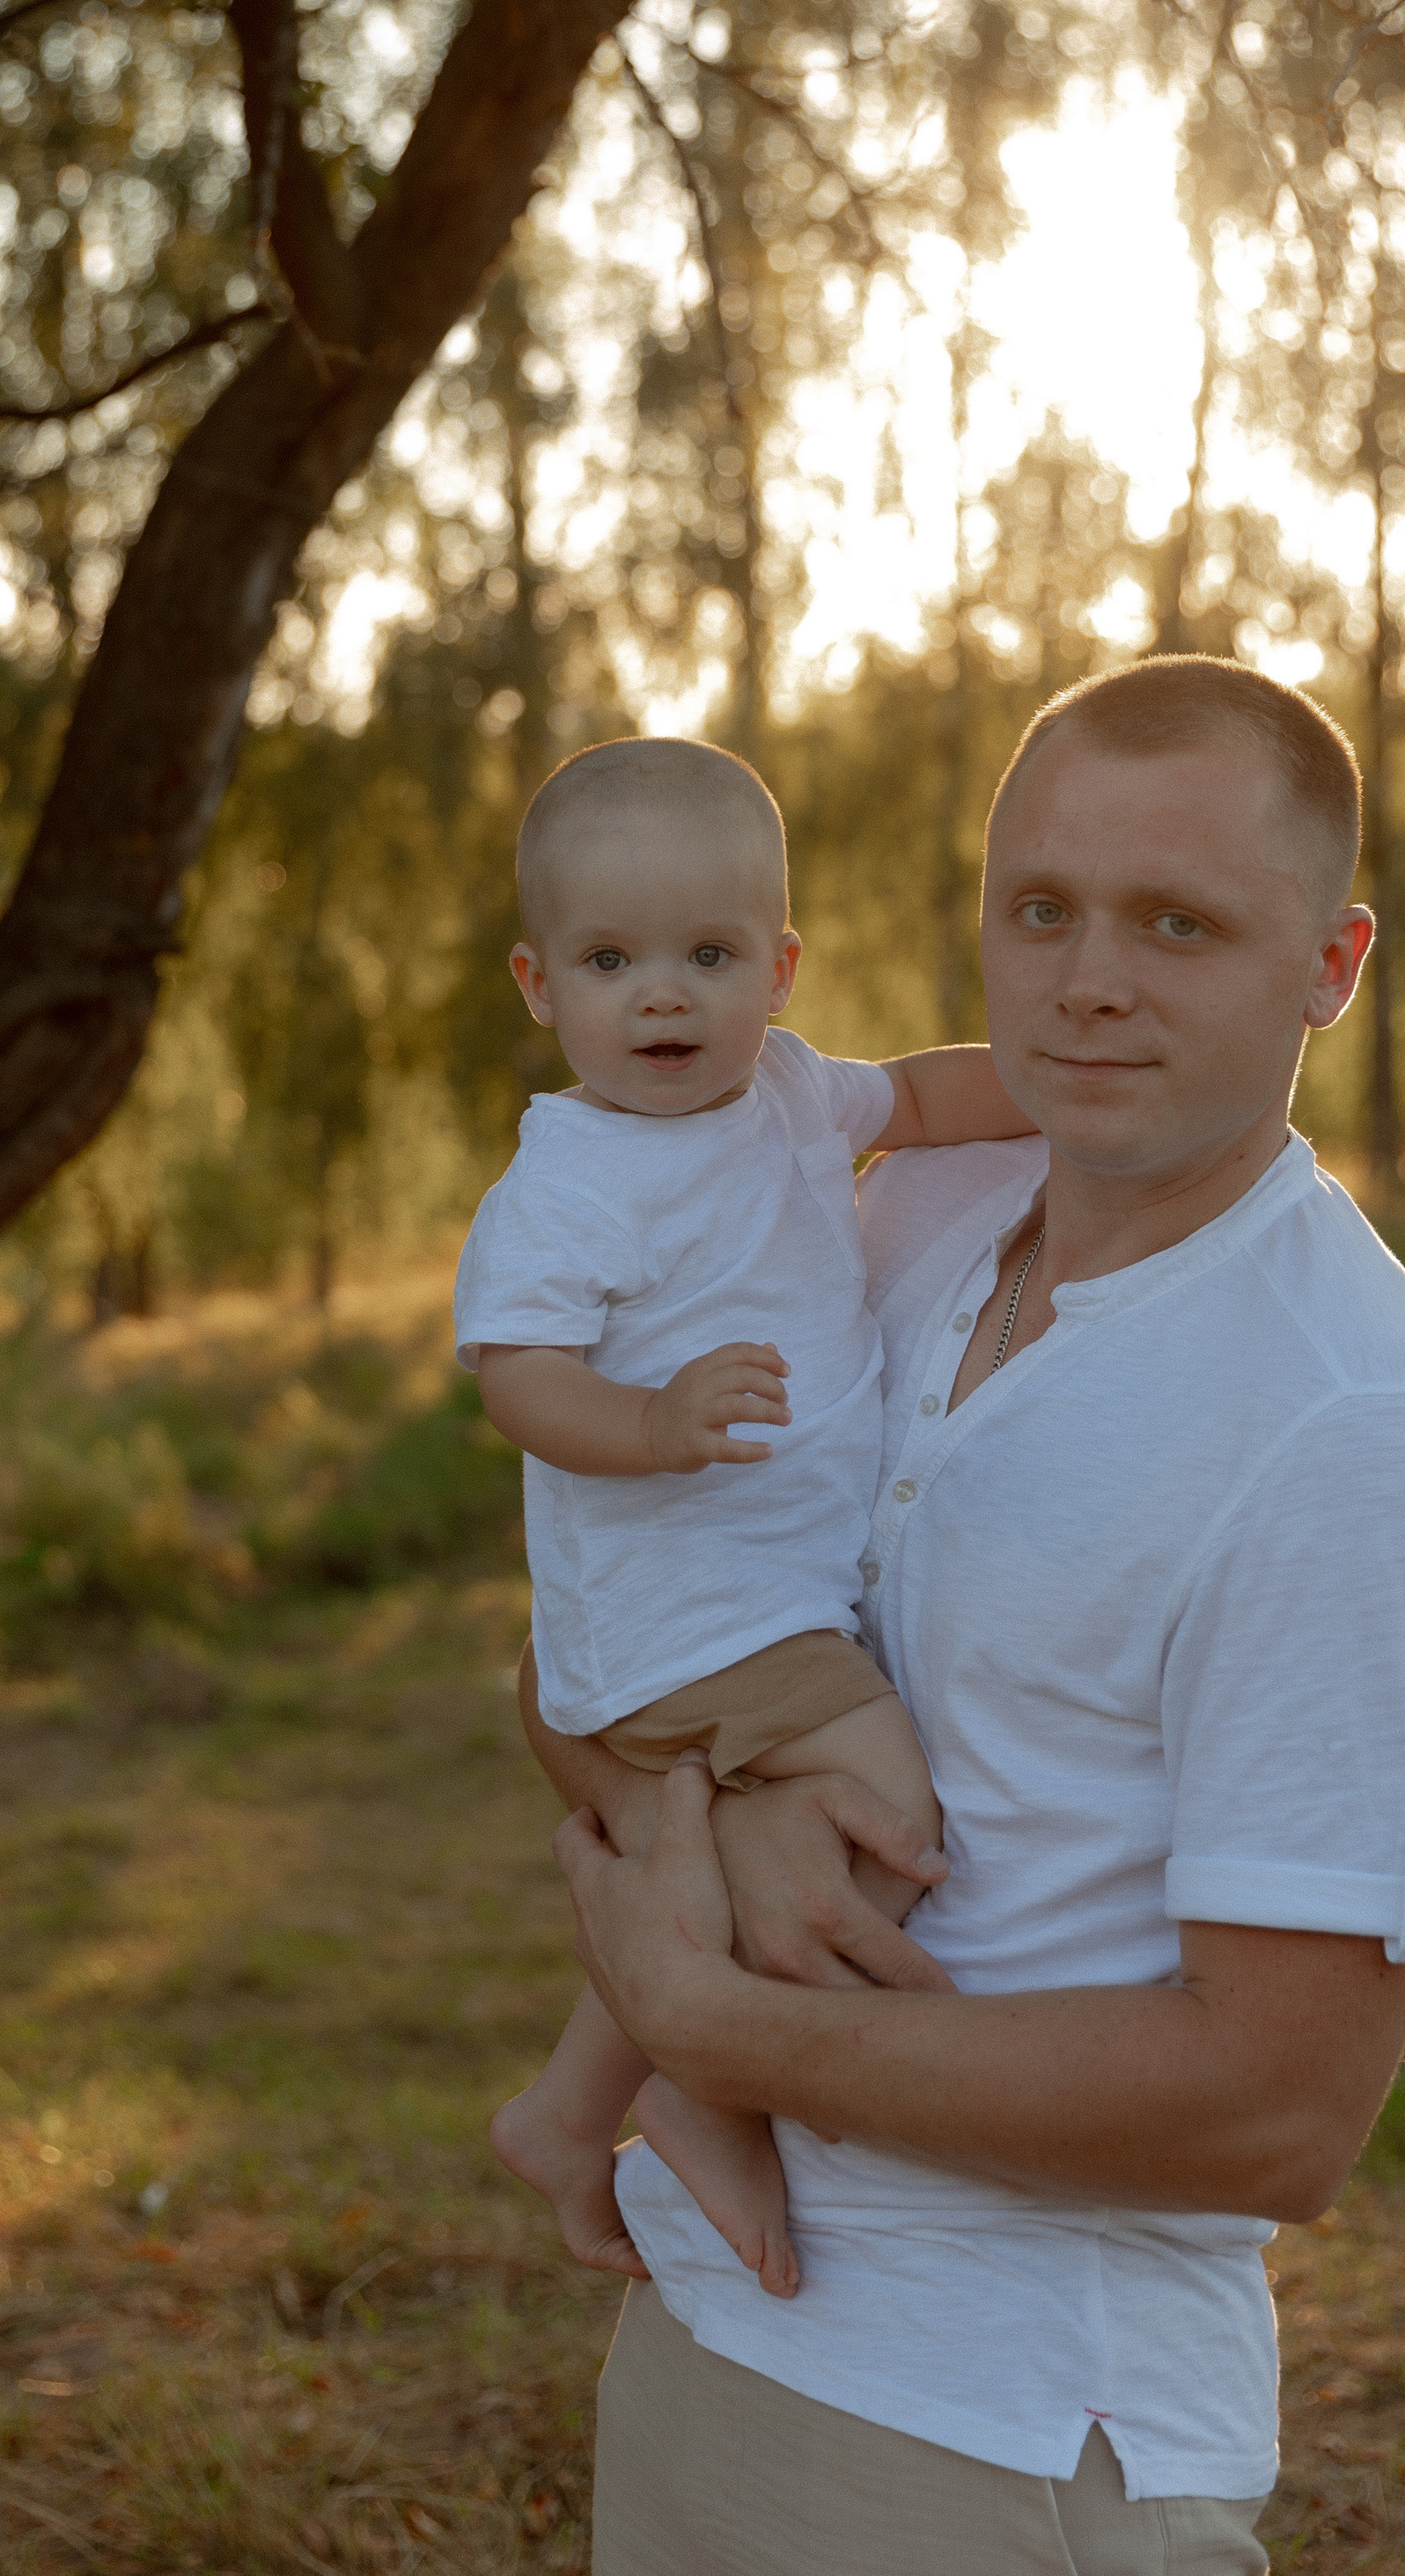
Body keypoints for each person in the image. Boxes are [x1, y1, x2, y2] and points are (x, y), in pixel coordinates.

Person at [524, 659, 1405, 2576]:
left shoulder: (1347, 1433)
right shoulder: (886, 1231)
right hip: (704, 2328)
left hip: (996, 2442)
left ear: (1329, 964)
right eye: (1039, 909)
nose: (1086, 980)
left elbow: (1270, 2114)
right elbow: (581, 1637)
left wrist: (702, 2020)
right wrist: (726, 1808)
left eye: (1176, 923)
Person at [459, 737, 1034, 2302]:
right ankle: (708, 2084)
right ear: (538, 982)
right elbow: (515, 1374)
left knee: (699, 1861)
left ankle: (575, 2104)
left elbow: (918, 1095)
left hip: (761, 1596)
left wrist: (1047, 1087)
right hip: (684, 1605)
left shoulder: (789, 1093)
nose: (663, 996)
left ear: (779, 971)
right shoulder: (569, 1180)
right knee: (888, 1806)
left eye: (708, 956)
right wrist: (648, 1426)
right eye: (611, 960)